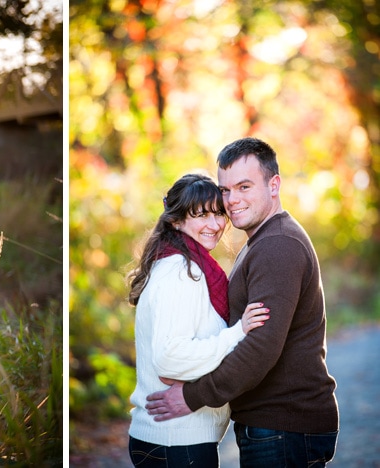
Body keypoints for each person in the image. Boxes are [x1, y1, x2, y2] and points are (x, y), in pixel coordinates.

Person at [145, 137, 339, 466]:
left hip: (283, 425)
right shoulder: (261, 241)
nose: (232, 200)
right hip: (273, 424)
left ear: (274, 184)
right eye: (226, 189)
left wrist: (192, 397)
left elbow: (260, 346)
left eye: (244, 186)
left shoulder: (278, 245)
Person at [125, 173, 270, 467]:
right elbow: (170, 359)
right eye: (201, 215)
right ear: (176, 221)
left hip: (173, 440)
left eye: (218, 213)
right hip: (175, 442)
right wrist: (237, 333)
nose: (215, 225)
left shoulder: (182, 264)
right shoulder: (181, 272)